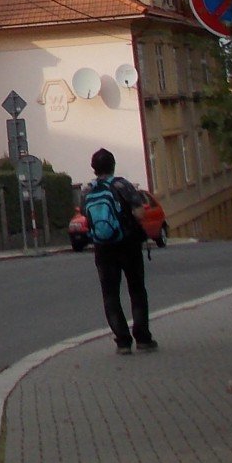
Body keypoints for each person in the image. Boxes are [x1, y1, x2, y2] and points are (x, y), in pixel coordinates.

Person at [80, 147, 155, 355]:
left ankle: (122, 342)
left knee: (110, 295)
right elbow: (140, 213)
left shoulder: (87, 191)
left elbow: (87, 218)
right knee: (137, 290)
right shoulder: (123, 185)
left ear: (94, 168)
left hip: (103, 248)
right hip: (128, 245)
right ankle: (143, 338)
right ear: (113, 165)